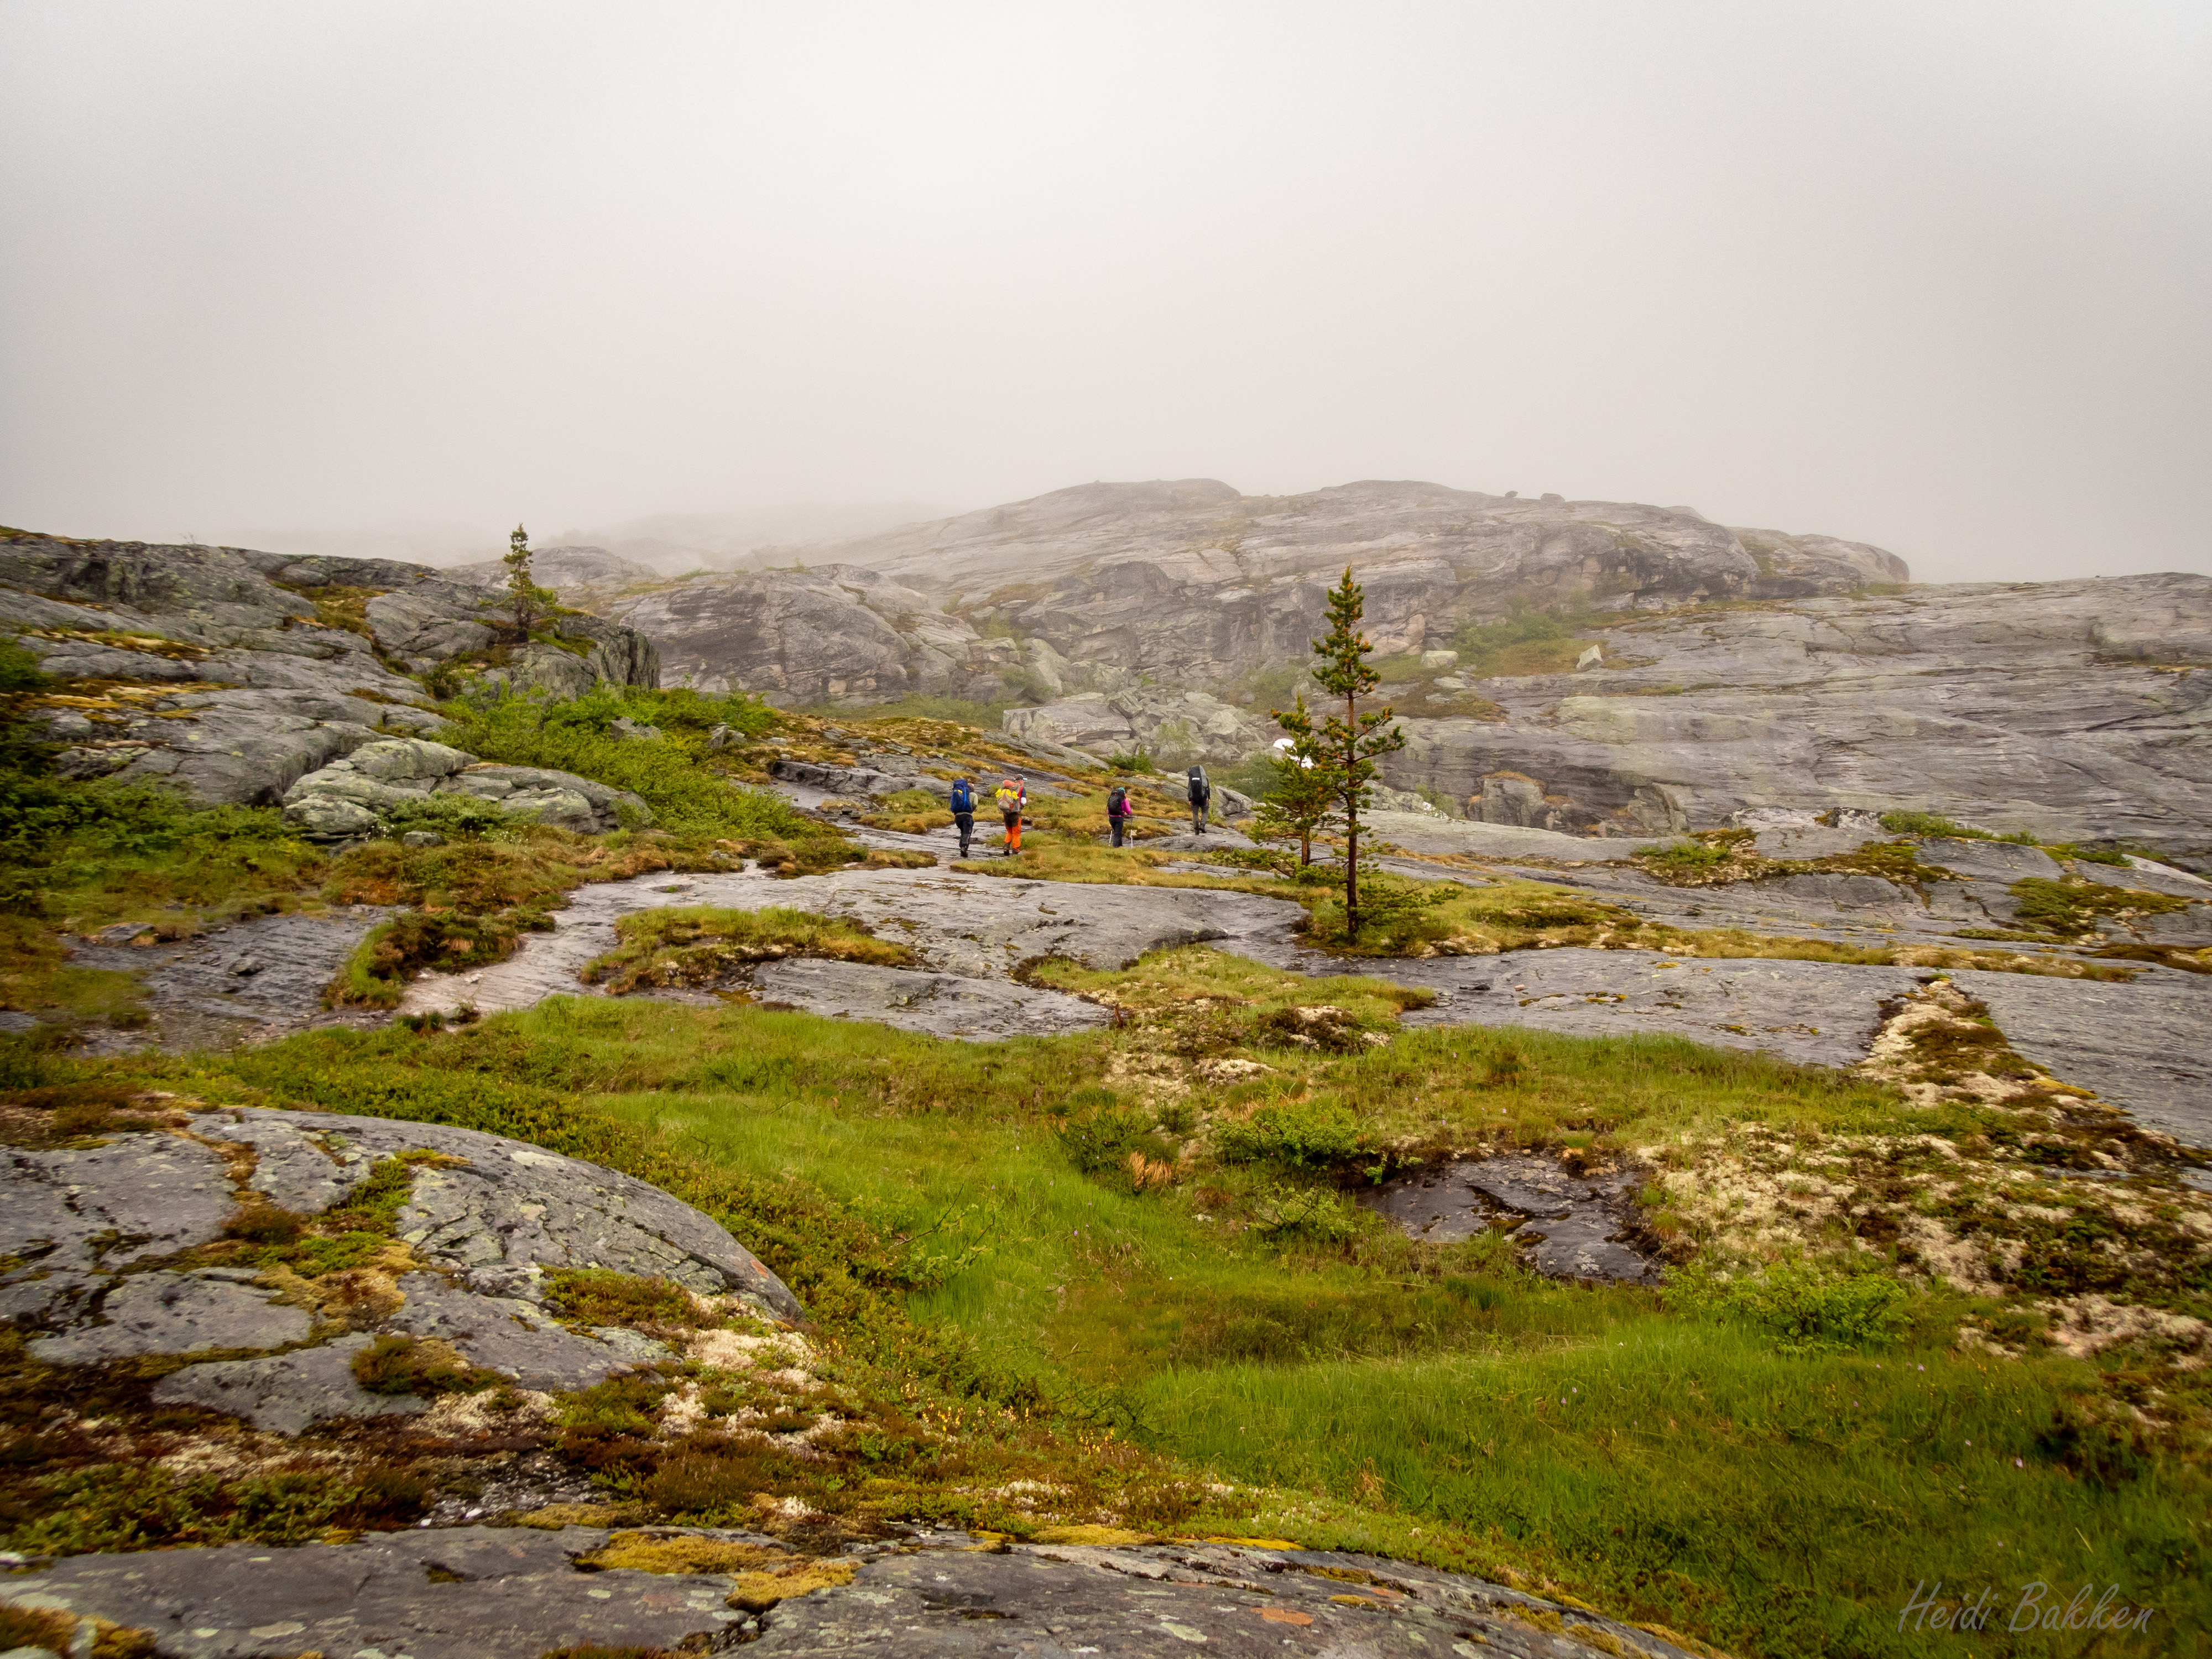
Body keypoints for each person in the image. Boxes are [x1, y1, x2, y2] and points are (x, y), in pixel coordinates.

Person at [994, 775, 1027, 856]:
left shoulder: (1007, 788)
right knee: (1016, 832)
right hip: (1015, 813)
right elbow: (1023, 801)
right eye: (1023, 780)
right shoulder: (1021, 789)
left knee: (1009, 831)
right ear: (1020, 781)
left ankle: (1006, 847)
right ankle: (1015, 849)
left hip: (1006, 813)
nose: (1023, 782)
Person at [948, 775, 976, 858]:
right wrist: (971, 810)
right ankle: (964, 848)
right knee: (967, 832)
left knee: (963, 831)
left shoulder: (957, 792)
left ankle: (962, 847)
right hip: (967, 815)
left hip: (957, 816)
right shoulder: (970, 792)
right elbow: (975, 804)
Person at [1186, 764, 1211, 835]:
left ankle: (1196, 830)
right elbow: (1207, 789)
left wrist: (1190, 799)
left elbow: (1189, 789)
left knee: (1195, 814)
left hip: (1194, 799)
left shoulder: (1191, 779)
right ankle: (1202, 826)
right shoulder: (1204, 778)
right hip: (1203, 799)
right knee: (1205, 811)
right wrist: (1209, 798)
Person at [1106, 781, 1131, 846]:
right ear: (1124, 793)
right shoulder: (1124, 800)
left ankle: (1120, 845)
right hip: (1119, 818)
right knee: (1117, 833)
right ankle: (1115, 846)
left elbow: (1108, 811)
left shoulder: (1112, 798)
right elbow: (1129, 811)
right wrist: (1130, 814)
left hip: (1111, 818)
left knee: (1117, 832)